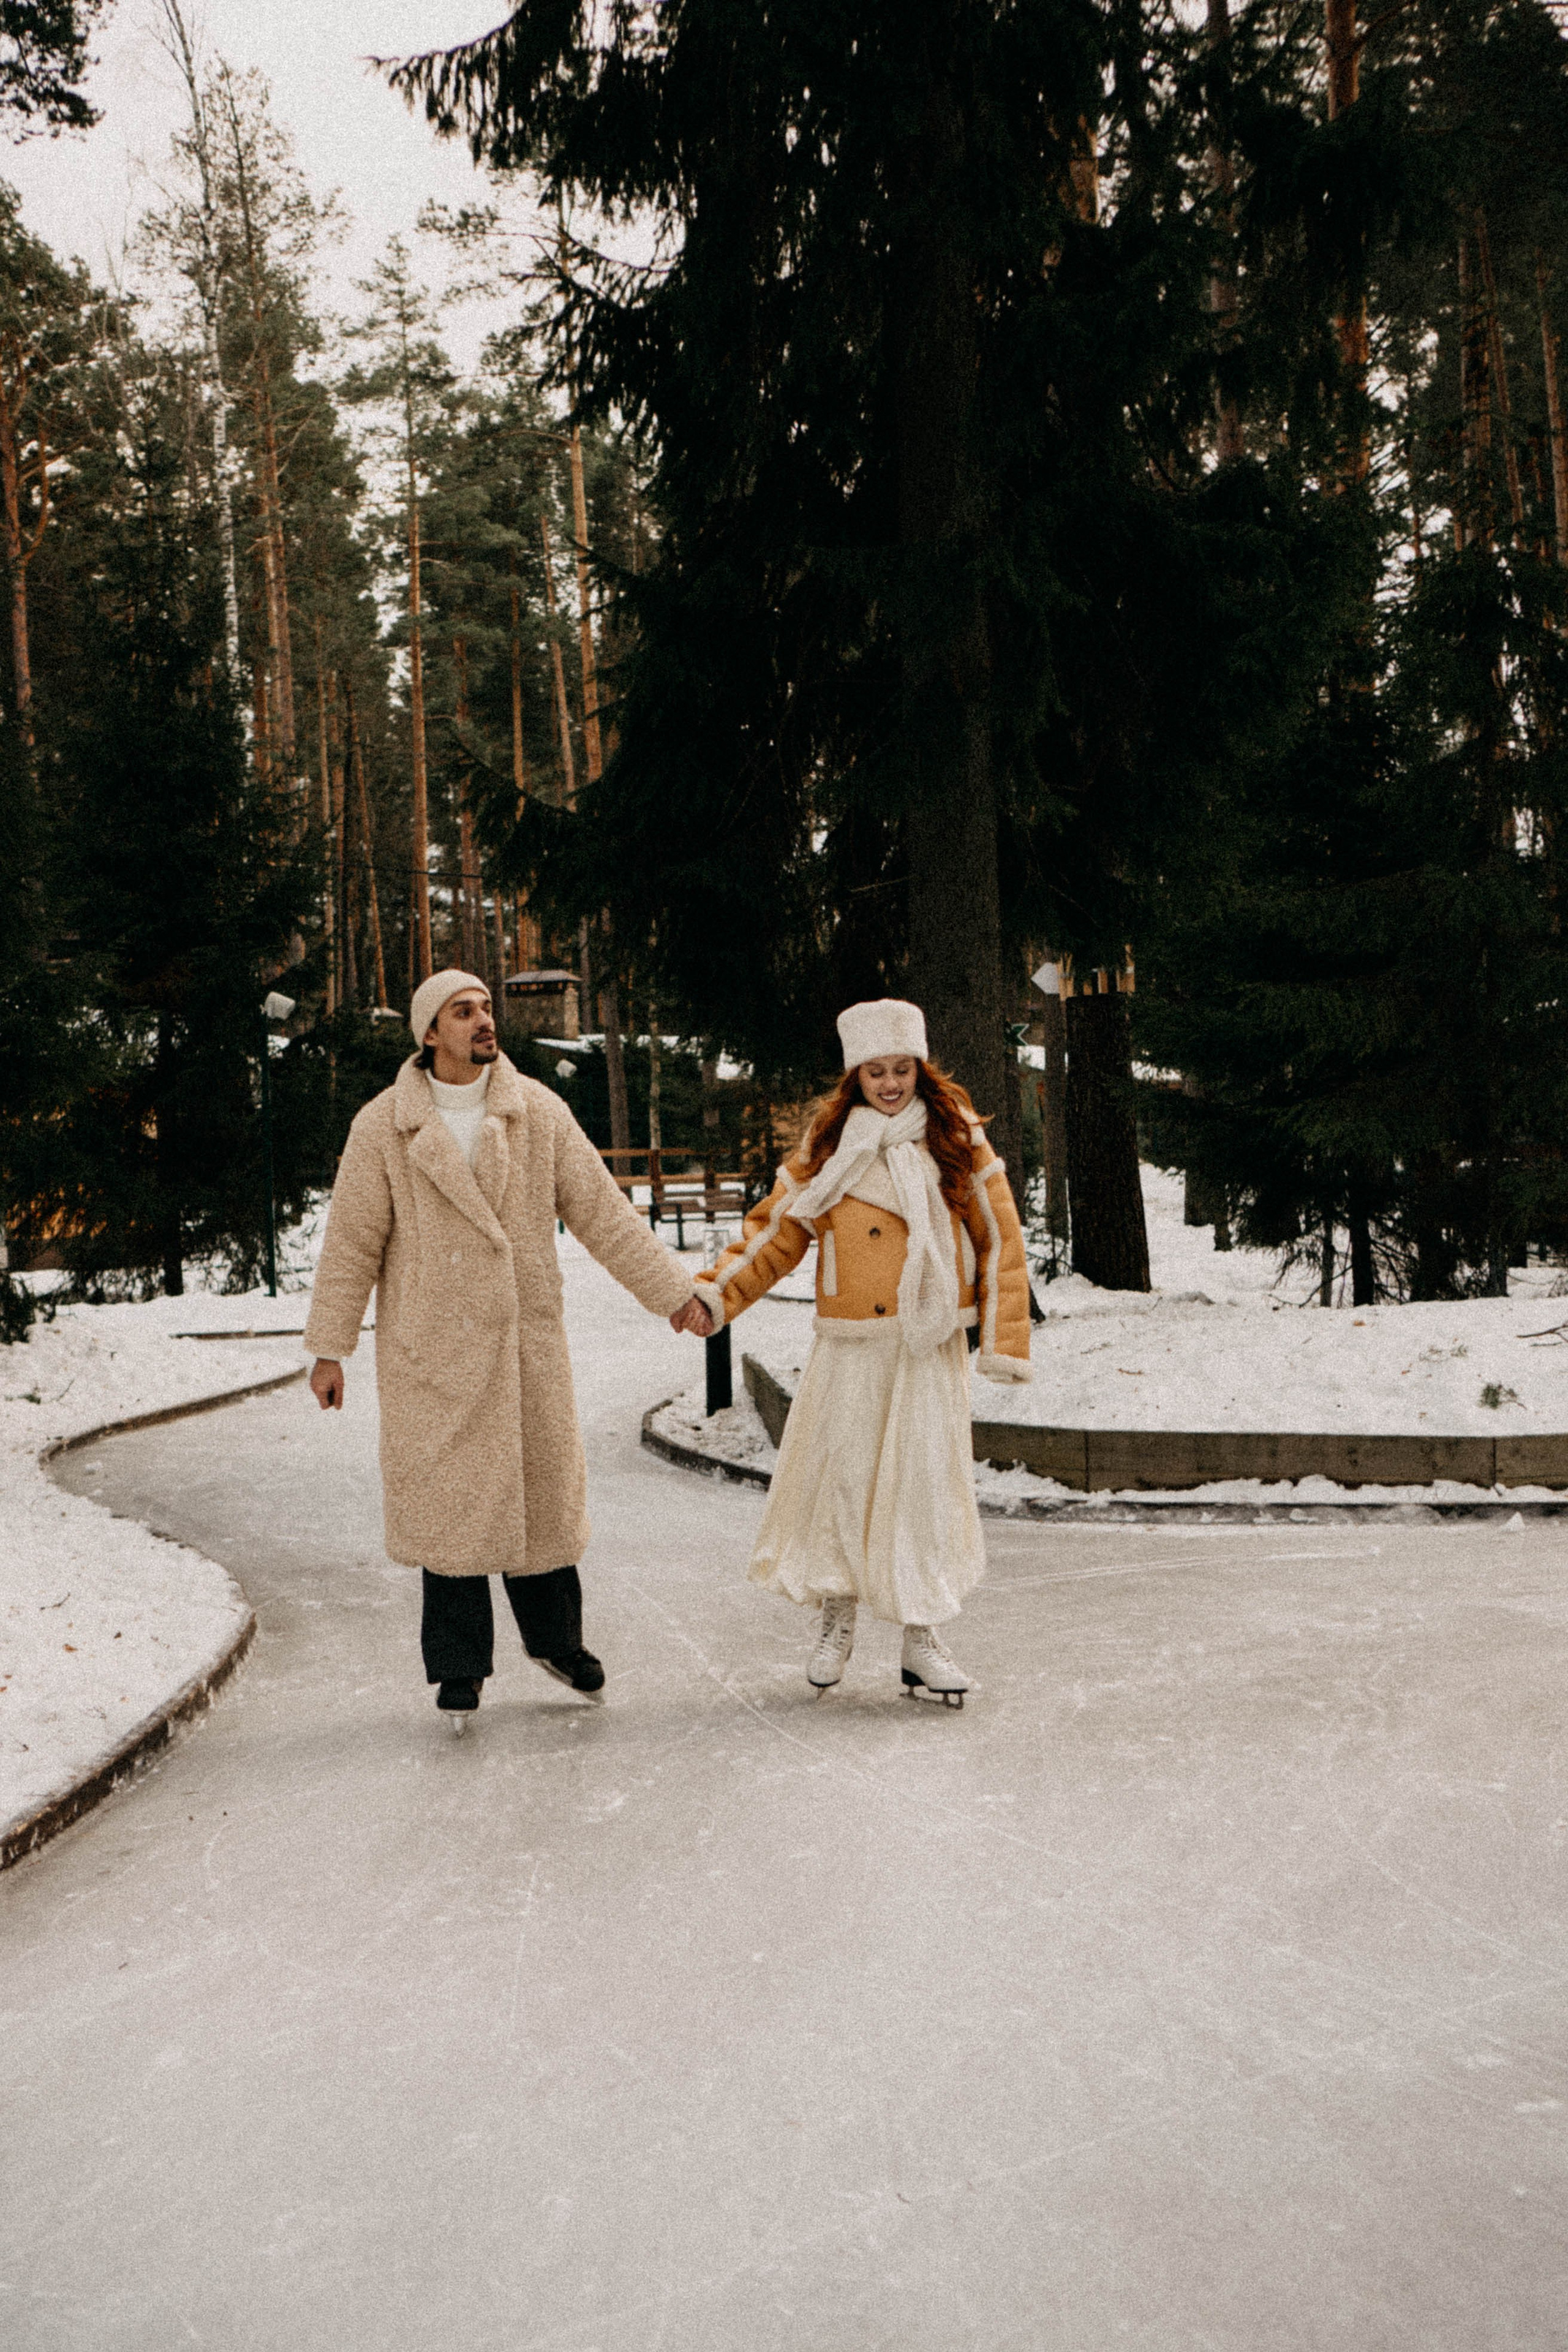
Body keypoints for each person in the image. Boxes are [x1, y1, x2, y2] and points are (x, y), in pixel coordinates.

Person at [303, 968, 711, 1729]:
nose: (484, 1020)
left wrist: (673, 1294)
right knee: (450, 1514)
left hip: (524, 1343)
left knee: (539, 1497)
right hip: (433, 1353)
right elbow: (352, 1244)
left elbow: (604, 1214)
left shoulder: (538, 1113)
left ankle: (558, 1644)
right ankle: (459, 1668)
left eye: (486, 1007)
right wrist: (331, 1349)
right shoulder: (384, 1125)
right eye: (464, 1012)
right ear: (431, 1033)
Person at [692, 998, 1031, 1706]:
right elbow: (774, 1233)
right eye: (876, 1072)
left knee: (922, 1488)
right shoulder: (829, 1143)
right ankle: (836, 1619)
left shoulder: (955, 1136)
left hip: (924, 1343)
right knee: (841, 1483)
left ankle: (921, 1638)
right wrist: (715, 1295)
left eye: (902, 1069)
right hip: (849, 1344)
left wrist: (1003, 1342)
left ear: (919, 1069)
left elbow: (1000, 1238)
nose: (890, 1084)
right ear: (856, 1076)